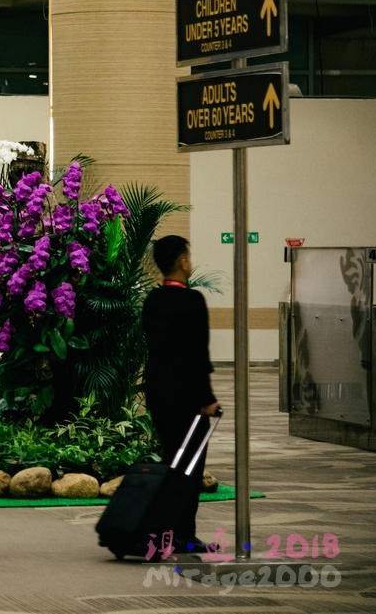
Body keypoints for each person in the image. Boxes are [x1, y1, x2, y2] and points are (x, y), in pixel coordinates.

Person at [142, 235, 221, 553]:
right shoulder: (192, 301)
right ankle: (183, 535)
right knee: (190, 468)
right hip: (187, 399)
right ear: (183, 261)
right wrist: (207, 399)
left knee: (173, 461)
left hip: (159, 393)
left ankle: (164, 532)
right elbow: (195, 355)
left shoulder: (152, 300)